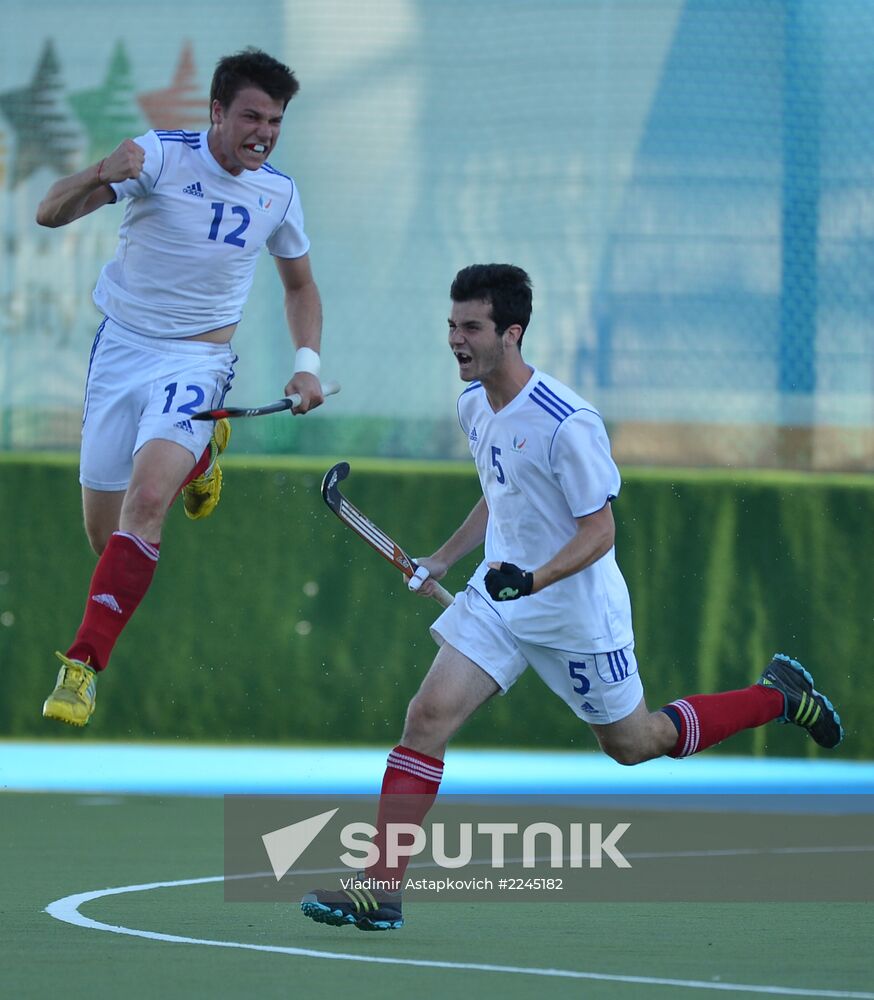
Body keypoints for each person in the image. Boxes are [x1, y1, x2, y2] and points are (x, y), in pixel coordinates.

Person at [301, 263, 843, 932]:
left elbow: (600, 530)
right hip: (501, 594)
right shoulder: (474, 402)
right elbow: (502, 492)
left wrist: (533, 582)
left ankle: (778, 695)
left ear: (512, 333)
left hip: (575, 609)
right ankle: (380, 888)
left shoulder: (567, 422)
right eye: (451, 326)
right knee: (427, 717)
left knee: (634, 741)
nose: (456, 340)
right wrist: (446, 556)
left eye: (471, 327)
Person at [36, 48, 325, 727]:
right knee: (105, 539)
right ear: (217, 112)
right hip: (121, 353)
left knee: (147, 502)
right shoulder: (158, 157)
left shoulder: (277, 192)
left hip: (197, 364)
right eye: (251, 116)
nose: (264, 132)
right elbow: (49, 213)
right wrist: (101, 172)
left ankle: (80, 668)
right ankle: (204, 451)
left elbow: (300, 284)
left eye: (276, 121)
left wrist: (307, 361)